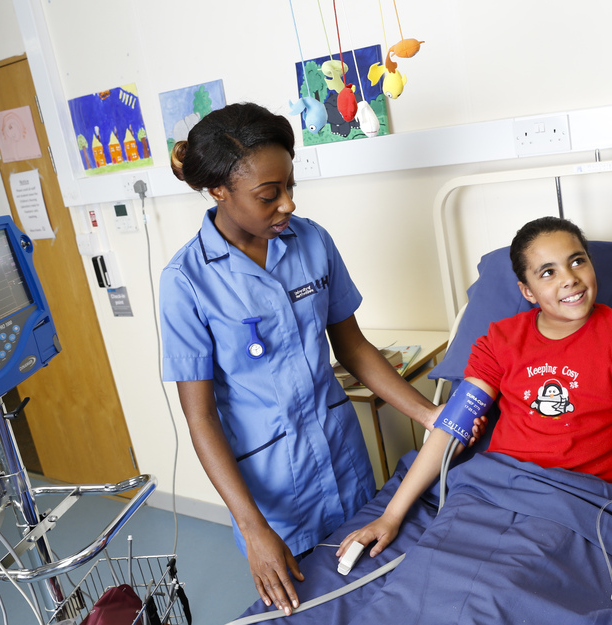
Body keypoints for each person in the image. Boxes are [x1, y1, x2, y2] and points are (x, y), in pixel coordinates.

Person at [159, 102, 444, 616]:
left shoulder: (311, 241)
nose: (287, 204)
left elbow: (353, 347)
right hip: (269, 486)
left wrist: (428, 415)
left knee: (370, 591)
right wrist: (252, 525)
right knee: (304, 605)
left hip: (341, 456)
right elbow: (199, 416)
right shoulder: (187, 282)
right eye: (269, 195)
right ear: (219, 191)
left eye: (290, 187)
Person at [339, 217, 612, 594]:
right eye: (547, 272)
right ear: (528, 290)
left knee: (514, 590)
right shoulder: (501, 340)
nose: (568, 278)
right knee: (429, 582)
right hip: (492, 488)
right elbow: (453, 424)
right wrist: (390, 516)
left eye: (577, 261)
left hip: (578, 500)